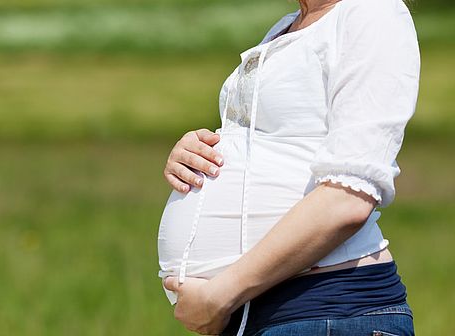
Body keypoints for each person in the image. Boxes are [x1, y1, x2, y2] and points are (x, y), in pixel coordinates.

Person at [159, 0, 420, 334]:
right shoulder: (289, 25)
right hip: (258, 310)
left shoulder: (372, 11)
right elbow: (276, 144)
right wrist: (198, 152)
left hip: (326, 310)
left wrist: (220, 294)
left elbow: (348, 198)